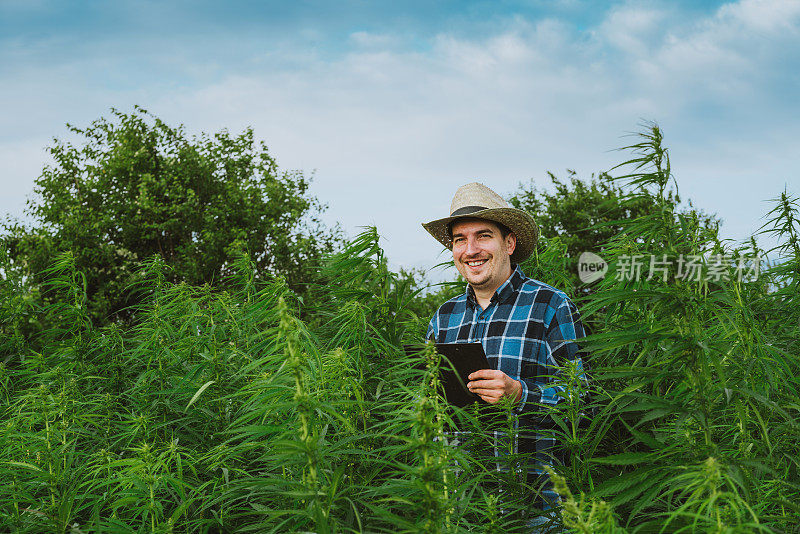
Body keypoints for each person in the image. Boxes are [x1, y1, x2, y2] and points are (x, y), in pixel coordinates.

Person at [423, 182, 587, 528]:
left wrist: (519, 393)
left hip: (537, 505)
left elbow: (584, 399)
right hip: (464, 505)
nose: (471, 250)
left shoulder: (550, 306)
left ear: (509, 243)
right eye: (459, 240)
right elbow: (428, 403)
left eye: (483, 236)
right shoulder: (443, 318)